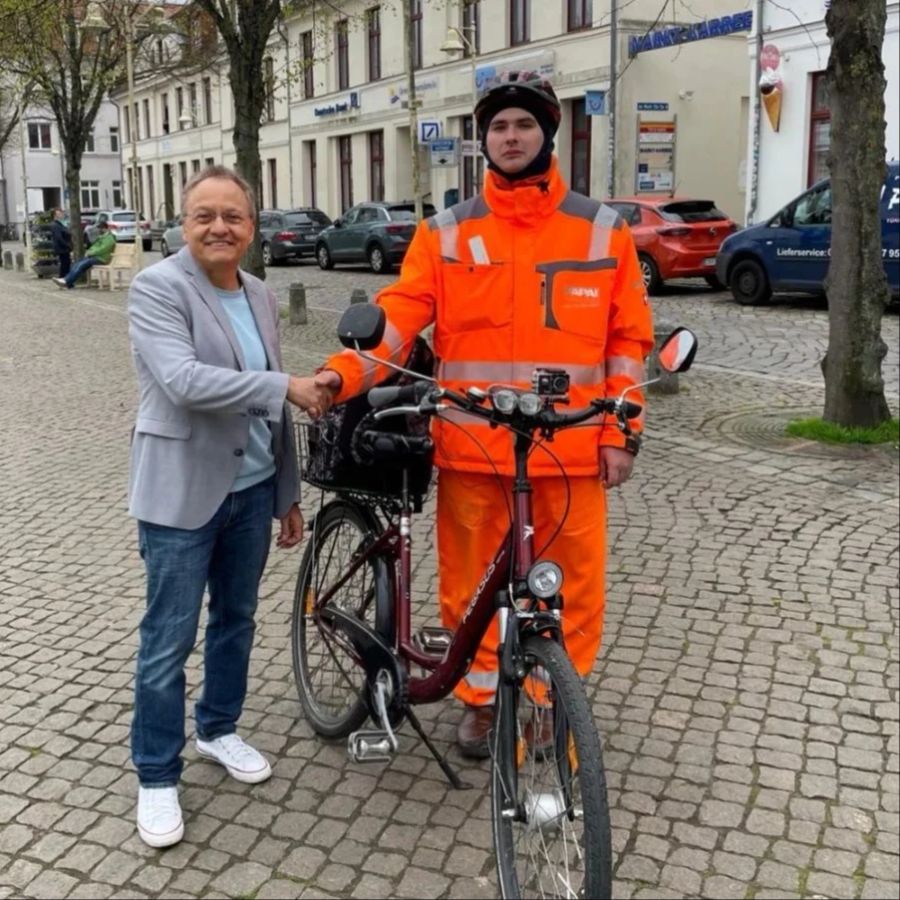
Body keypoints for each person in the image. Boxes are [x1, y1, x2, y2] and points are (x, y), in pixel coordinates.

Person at [315, 72, 654, 758]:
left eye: (523, 124)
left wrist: (625, 433)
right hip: (471, 447)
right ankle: (476, 698)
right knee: (471, 591)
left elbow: (627, 340)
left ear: (546, 134)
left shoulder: (601, 230)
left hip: (569, 448)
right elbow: (399, 320)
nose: (510, 136)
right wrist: (342, 372)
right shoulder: (445, 232)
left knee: (570, 589)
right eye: (498, 127)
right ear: (484, 141)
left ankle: (549, 699)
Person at [126, 165, 331, 848]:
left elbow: (275, 413)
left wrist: (286, 493)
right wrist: (285, 385)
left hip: (250, 491)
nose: (219, 227)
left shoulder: (261, 295)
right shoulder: (157, 287)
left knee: (236, 622)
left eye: (233, 216)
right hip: (181, 493)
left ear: (252, 226)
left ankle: (217, 728)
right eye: (204, 215)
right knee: (168, 641)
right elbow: (184, 383)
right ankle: (156, 773)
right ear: (182, 224)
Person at [53, 221, 116, 289]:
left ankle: (66, 281)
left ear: (104, 229)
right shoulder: (101, 237)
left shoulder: (109, 238)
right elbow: (94, 247)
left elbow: (102, 249)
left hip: (102, 259)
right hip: (95, 257)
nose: (98, 230)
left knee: (81, 265)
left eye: (100, 228)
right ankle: (67, 281)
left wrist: (90, 253)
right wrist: (89, 251)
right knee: (77, 264)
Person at [50, 207, 72, 278]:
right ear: (55, 215)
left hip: (64, 248)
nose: (61, 215)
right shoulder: (55, 225)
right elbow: (59, 238)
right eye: (59, 213)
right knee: (65, 264)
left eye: (61, 213)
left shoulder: (60, 224)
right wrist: (67, 245)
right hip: (62, 248)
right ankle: (63, 279)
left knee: (66, 264)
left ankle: (64, 279)